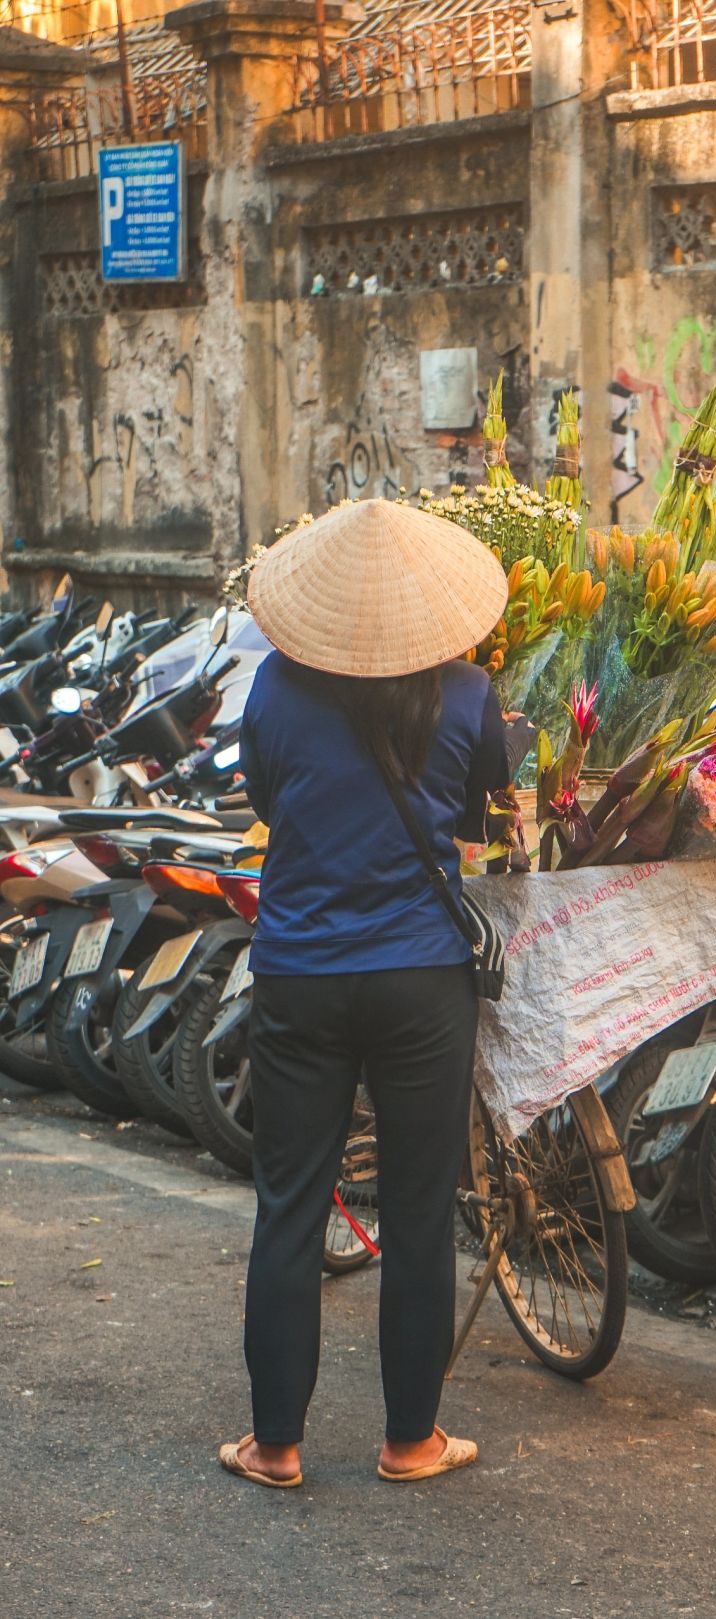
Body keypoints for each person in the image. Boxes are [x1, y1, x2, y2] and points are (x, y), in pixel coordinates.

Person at [219, 497, 512, 1488]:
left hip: (300, 972)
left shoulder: (273, 687)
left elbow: (267, 799)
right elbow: (479, 813)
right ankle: (410, 1439)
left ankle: (277, 1443)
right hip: (422, 978)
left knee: (290, 1205)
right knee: (423, 1208)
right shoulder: (470, 692)